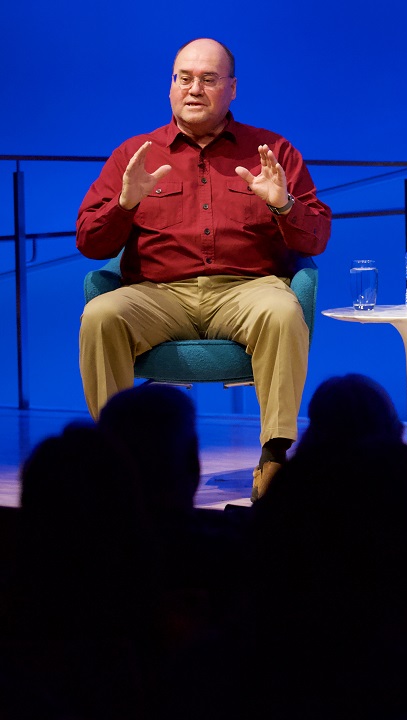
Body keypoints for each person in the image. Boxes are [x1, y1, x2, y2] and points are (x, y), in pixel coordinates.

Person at [77, 38, 331, 503]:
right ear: (170, 85)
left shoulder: (272, 150)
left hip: (246, 288)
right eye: (184, 78)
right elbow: (91, 244)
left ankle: (274, 457)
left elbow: (315, 239)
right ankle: (115, 459)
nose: (194, 89)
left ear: (232, 88)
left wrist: (283, 204)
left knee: (281, 310)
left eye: (209, 79)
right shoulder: (136, 153)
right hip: (158, 294)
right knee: (100, 316)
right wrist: (124, 204)